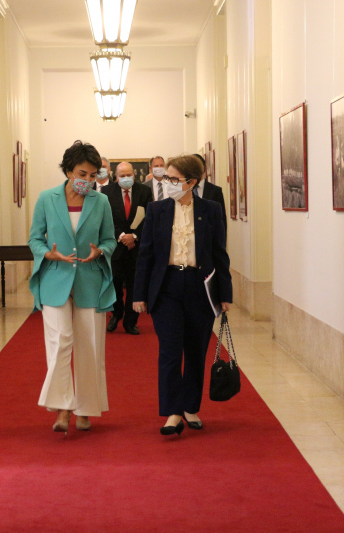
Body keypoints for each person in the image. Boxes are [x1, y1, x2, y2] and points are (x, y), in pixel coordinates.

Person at [133, 154, 232, 436]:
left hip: (200, 287)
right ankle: (172, 412)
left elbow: (219, 254)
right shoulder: (157, 210)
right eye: (166, 179)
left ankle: (190, 406)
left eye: (174, 179)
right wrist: (139, 294)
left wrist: (225, 294)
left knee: (196, 350)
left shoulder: (210, 210)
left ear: (191, 182)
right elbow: (146, 255)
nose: (168, 184)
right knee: (170, 351)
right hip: (167, 287)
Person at [28, 140, 117, 433]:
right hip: (55, 279)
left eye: (94, 176)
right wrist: (47, 254)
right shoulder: (46, 198)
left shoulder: (100, 201)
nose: (88, 181)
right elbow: (35, 239)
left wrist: (100, 251)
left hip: (90, 280)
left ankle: (86, 410)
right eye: (83, 174)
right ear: (68, 171)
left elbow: (109, 240)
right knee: (60, 343)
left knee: (90, 346)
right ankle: (62, 407)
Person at [103, 162, 153, 335]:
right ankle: (116, 314)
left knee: (134, 285)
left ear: (134, 175)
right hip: (116, 246)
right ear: (116, 177)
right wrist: (122, 236)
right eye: (122, 175)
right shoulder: (107, 193)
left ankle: (131, 322)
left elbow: (149, 218)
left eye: (129, 175)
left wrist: (135, 236)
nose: (126, 178)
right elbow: (106, 218)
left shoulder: (145, 192)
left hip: (137, 247)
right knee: (115, 283)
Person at [193, 153, 228, 232]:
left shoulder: (215, 191)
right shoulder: (184, 190)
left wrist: (221, 243)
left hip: (209, 237)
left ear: (204, 168)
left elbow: (222, 220)